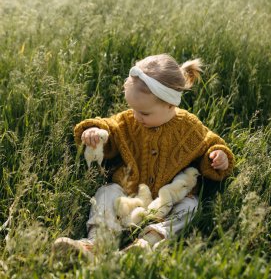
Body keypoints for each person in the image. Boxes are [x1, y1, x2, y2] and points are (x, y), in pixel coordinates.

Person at [53, 54, 234, 259]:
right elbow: (111, 128)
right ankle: (96, 243)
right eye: (133, 109)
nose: (137, 116)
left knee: (190, 207)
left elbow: (209, 144)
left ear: (170, 105)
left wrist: (218, 156)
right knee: (106, 192)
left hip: (171, 196)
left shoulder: (189, 128)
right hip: (129, 190)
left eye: (145, 113)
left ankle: (147, 243)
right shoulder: (130, 120)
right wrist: (95, 132)